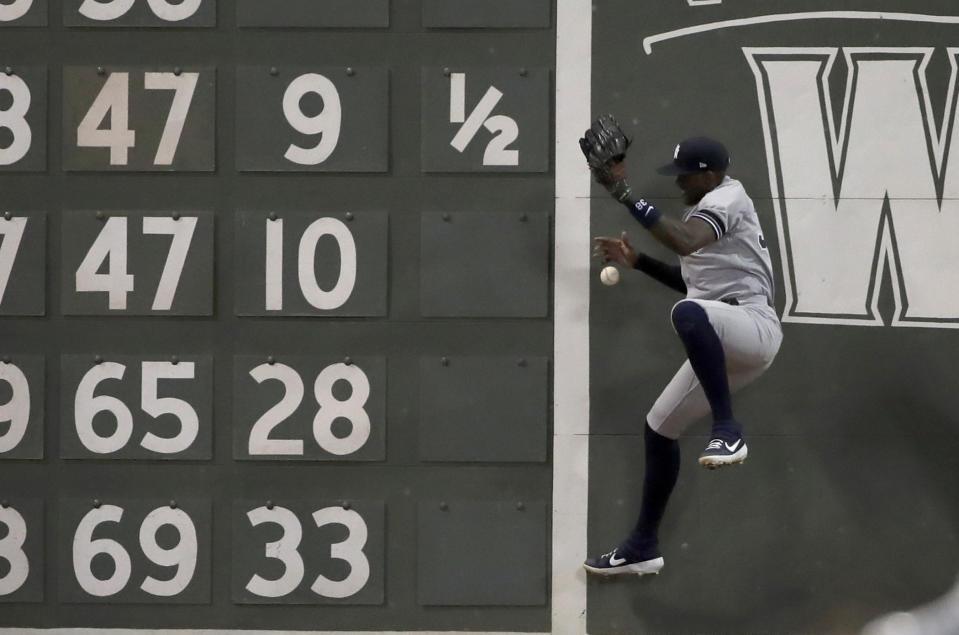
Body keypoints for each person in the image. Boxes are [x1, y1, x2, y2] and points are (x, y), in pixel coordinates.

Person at [580, 122, 783, 576]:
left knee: (688, 314)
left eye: (685, 174)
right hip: (724, 330)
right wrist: (638, 261)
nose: (678, 181)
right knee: (658, 428)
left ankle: (728, 428)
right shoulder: (709, 209)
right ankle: (643, 545)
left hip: (753, 325)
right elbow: (693, 282)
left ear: (709, 174)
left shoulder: (727, 199)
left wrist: (622, 191)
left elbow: (687, 243)